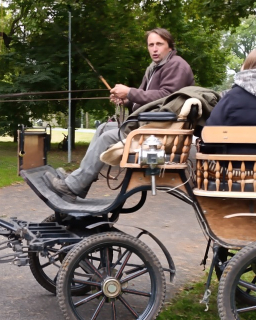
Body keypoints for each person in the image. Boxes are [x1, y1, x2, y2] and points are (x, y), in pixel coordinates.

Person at [50, 28, 193, 199]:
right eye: (151, 45)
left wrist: (130, 92)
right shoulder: (154, 68)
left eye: (159, 44)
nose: (154, 49)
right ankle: (80, 182)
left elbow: (167, 96)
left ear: (170, 47)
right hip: (149, 125)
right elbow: (143, 98)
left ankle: (73, 185)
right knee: (103, 128)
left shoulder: (176, 64)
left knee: (107, 137)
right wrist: (125, 100)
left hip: (161, 131)